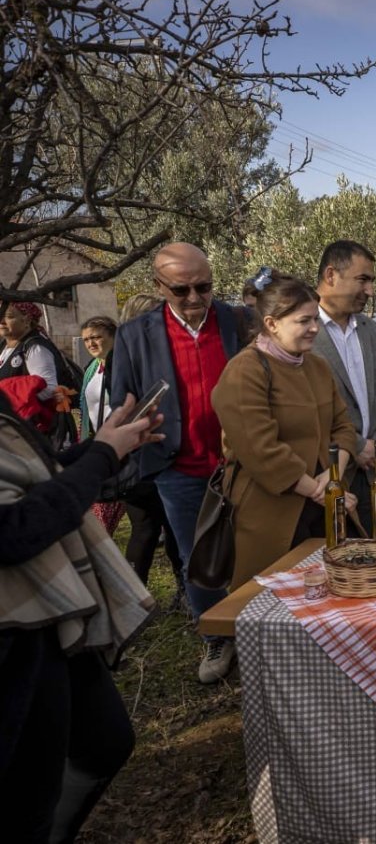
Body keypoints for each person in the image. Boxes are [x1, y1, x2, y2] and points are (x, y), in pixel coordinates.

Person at [0, 385, 160, 843]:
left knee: (103, 742)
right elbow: (15, 531)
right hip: (15, 626)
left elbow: (29, 482)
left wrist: (103, 446)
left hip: (47, 612)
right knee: (24, 799)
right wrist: (103, 456)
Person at [110, 242, 253, 684]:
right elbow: (122, 402)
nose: (194, 298)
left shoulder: (236, 321)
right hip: (179, 467)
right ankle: (215, 633)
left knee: (252, 547)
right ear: (158, 286)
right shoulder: (136, 335)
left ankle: (256, 629)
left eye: (203, 286)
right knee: (198, 556)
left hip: (243, 463)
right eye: (181, 289)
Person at [211, 271, 360, 588]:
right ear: (271, 323)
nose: (314, 329)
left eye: (315, 320)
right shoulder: (244, 371)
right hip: (269, 516)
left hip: (324, 509)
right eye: (304, 321)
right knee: (272, 605)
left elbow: (344, 427)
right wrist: (321, 491)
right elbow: (260, 448)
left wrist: (332, 477)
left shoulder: (317, 366)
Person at [311, 241, 376, 535]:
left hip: (372, 468)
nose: (370, 291)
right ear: (331, 275)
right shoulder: (304, 333)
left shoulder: (370, 330)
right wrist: (357, 446)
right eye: (363, 279)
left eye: (371, 281)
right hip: (327, 471)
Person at [113, 295, 183, 606]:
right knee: (147, 529)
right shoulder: (130, 356)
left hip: (156, 452)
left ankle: (144, 599)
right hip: (145, 455)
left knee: (162, 530)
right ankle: (136, 600)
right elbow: (122, 407)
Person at [0, 302, 78, 445]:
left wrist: (11, 399)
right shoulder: (4, 347)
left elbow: (48, 388)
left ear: (27, 320)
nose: (2, 322)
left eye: (9, 317)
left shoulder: (35, 347)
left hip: (35, 430)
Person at [77, 316, 127, 534]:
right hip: (99, 446)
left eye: (96, 337)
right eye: (86, 340)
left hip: (121, 448)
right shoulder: (92, 368)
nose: (91, 344)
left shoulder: (123, 366)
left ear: (113, 336)